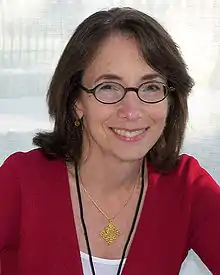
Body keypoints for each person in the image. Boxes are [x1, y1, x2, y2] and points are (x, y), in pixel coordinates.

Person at [0, 6, 220, 275]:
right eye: (108, 87)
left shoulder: (187, 187)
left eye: (151, 87)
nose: (131, 111)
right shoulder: (20, 181)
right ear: (75, 102)